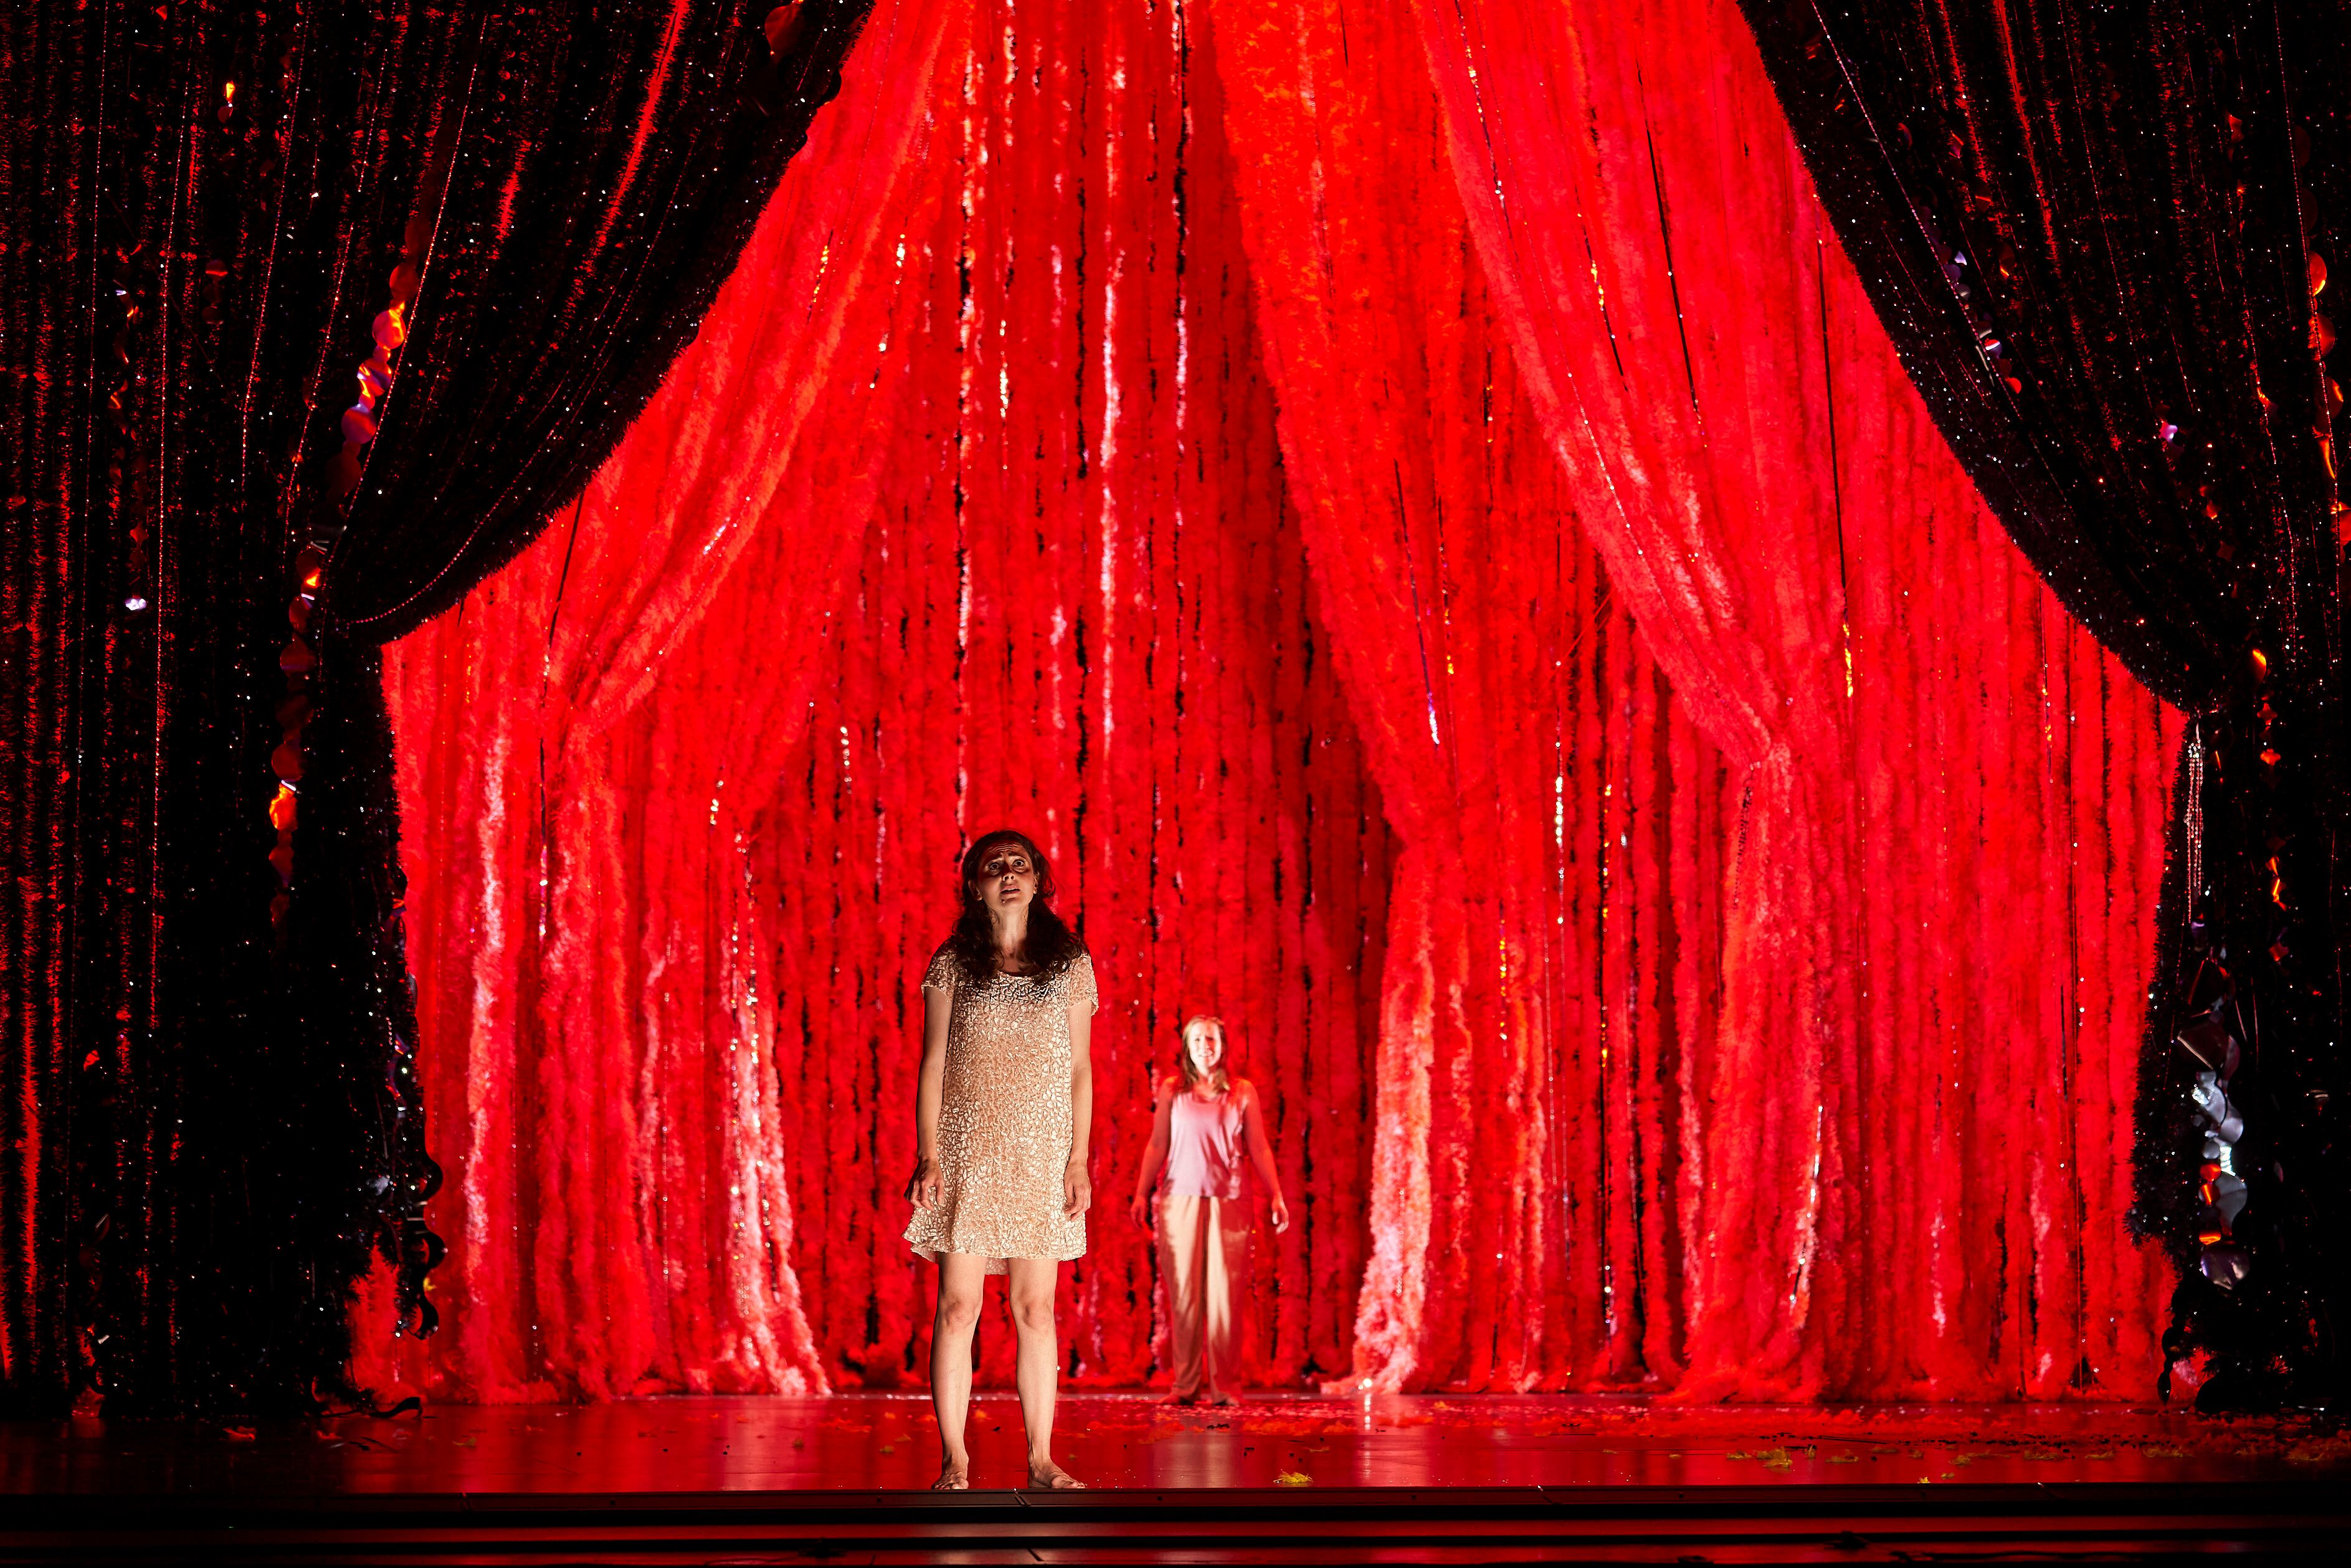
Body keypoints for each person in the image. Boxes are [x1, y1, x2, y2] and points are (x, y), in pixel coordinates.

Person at [904, 829, 1096, 1491]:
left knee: (1034, 1308)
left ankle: (1042, 1461)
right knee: (959, 1307)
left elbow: (1079, 1069)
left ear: (1039, 878)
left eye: (1020, 864)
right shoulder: (954, 962)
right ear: (975, 885)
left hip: (1041, 1151)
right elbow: (932, 1065)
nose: (1008, 874)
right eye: (994, 867)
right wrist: (929, 1155)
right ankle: (955, 1461)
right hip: (968, 1145)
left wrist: (1078, 1160)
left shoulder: (1069, 961)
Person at [1128, 1014, 1288, 1405]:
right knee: (1183, 1294)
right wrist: (1139, 1193)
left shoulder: (1242, 1091)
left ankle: (1225, 1389)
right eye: (1198, 1039)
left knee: (1224, 1297)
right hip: (1178, 1199)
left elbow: (1260, 1147)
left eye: (1212, 1039)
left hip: (1229, 1200)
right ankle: (1184, 1387)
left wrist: (1277, 1194)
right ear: (1187, 1046)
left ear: (1223, 1045)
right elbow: (1157, 1145)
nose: (1206, 1046)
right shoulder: (1171, 1091)